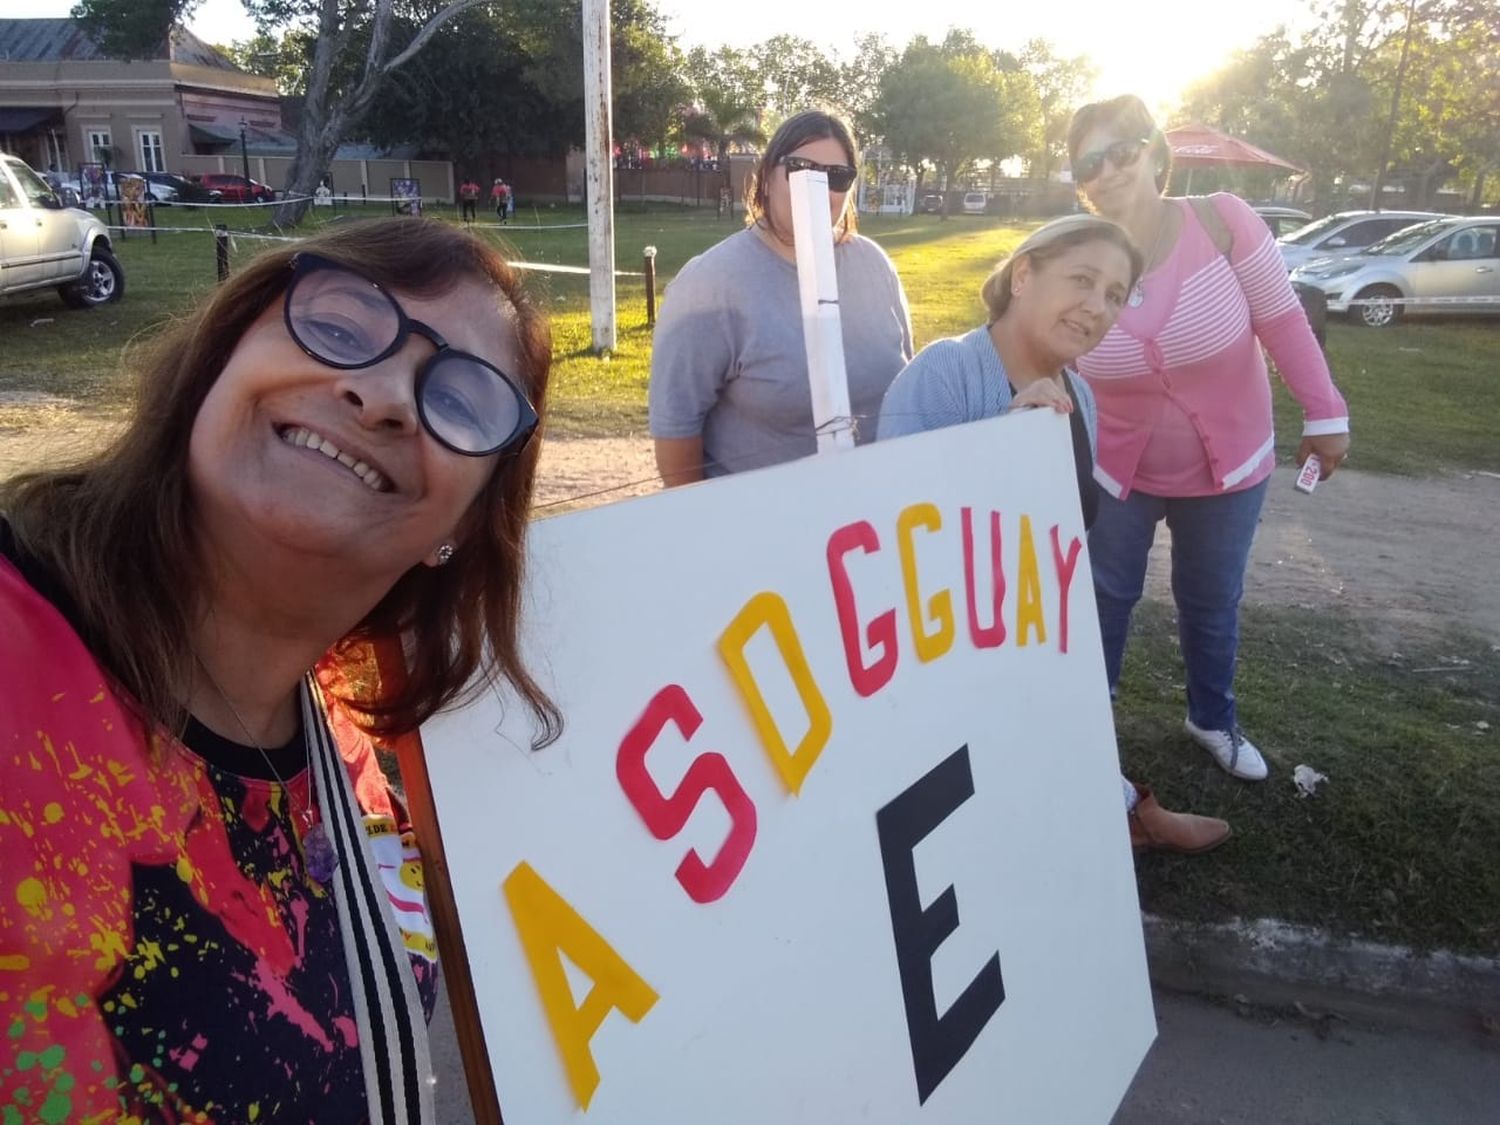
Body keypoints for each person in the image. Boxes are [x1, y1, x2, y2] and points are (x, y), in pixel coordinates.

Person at [0, 218, 560, 1121]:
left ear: (463, 524)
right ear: (222, 354)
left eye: (463, 398)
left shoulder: (358, 749)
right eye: (339, 325)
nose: (380, 394)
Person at [879, 215, 1231, 854]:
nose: (1097, 307)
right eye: (1081, 280)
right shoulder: (945, 373)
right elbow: (889, 534)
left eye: (1115, 295)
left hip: (1023, 636)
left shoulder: (1083, 398)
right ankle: (1118, 811)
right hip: (939, 652)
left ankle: (1115, 804)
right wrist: (999, 449)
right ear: (1023, 275)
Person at [1066, 95, 1350, 783]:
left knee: (1210, 595)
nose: (1109, 169)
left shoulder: (1223, 220)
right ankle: (1084, 722)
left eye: (1123, 148)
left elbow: (1282, 319)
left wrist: (1326, 412)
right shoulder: (1077, 256)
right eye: (1089, 161)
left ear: (1154, 149)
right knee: (1103, 593)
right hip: (1117, 470)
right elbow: (1051, 347)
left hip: (1231, 465)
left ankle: (1212, 717)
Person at [650, 110, 914, 484]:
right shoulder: (710, 284)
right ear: (767, 177)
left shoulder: (874, 265)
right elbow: (676, 436)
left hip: (872, 521)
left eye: (837, 176)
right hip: (760, 527)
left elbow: (909, 385)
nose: (819, 186)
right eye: (800, 168)